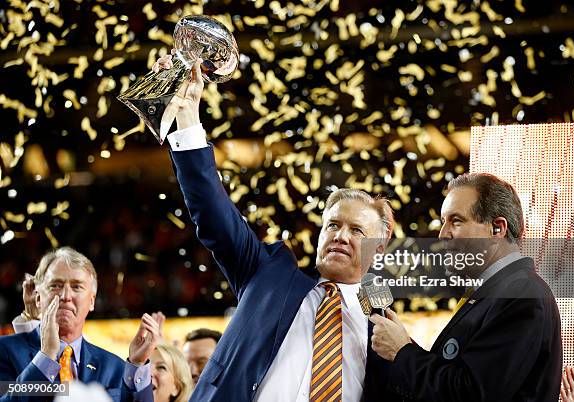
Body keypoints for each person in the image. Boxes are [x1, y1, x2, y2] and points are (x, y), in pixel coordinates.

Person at [153, 54, 394, 401]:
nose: (340, 236)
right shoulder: (268, 273)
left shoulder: (385, 326)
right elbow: (212, 211)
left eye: (357, 230)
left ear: (379, 247)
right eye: (333, 225)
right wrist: (189, 119)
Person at [370, 173, 563, 401]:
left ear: (497, 229)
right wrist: (403, 343)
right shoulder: (496, 292)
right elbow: (461, 375)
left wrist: (402, 353)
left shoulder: (521, 294)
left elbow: (471, 393)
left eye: (456, 221)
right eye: (443, 222)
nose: (442, 234)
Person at [0, 247, 158, 402]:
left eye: (76, 287)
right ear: (39, 299)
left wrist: (137, 365)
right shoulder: (5, 351)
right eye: (55, 285)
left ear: (91, 301)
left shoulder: (115, 367)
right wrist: (46, 356)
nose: (66, 296)